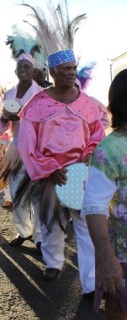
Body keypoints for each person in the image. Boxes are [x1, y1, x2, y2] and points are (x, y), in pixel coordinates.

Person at [15, 49, 105, 298]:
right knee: (52, 222)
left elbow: (97, 135)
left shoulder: (88, 103)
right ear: (52, 72)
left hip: (80, 173)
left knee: (85, 227)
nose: (71, 73)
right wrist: (49, 169)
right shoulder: (37, 104)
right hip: (51, 175)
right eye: (65, 69)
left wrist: (88, 156)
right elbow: (26, 144)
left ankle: (90, 283)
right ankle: (54, 263)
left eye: (73, 68)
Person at [81, 69, 127, 319]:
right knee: (120, 307)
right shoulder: (109, 149)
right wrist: (107, 259)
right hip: (123, 255)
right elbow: (94, 207)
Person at [0, 35, 42, 252]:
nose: (23, 70)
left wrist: (20, 118)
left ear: (32, 71)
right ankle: (24, 231)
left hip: (37, 150)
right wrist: (4, 118)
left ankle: (40, 238)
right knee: (18, 192)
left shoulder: (40, 94)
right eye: (20, 67)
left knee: (38, 197)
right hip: (15, 148)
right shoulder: (9, 95)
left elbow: (45, 124)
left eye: (27, 67)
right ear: (15, 71)